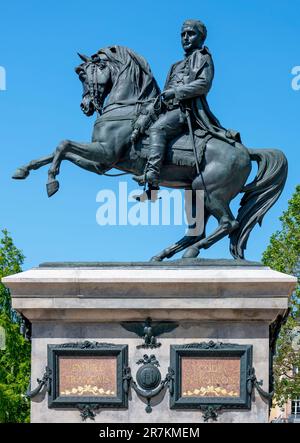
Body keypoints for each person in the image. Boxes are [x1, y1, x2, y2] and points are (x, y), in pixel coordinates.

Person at [133, 18, 230, 188]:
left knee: (158, 129)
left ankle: (153, 174)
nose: (185, 38)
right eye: (183, 34)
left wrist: (177, 92)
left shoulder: (203, 57)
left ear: (201, 38)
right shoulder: (175, 65)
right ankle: (152, 185)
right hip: (168, 110)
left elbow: (204, 84)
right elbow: (164, 94)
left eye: (191, 34)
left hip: (186, 111)